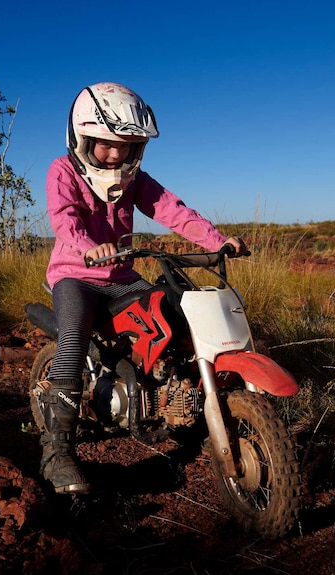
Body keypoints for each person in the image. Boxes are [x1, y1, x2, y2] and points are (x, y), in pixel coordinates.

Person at [38, 81, 247, 494]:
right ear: (83, 138)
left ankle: (184, 409)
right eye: (105, 144)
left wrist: (216, 240)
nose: (116, 153)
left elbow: (172, 209)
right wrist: (89, 248)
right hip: (75, 275)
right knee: (74, 339)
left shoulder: (136, 180)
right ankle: (56, 452)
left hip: (122, 277)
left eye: (127, 145)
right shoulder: (62, 171)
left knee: (174, 317)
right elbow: (64, 220)